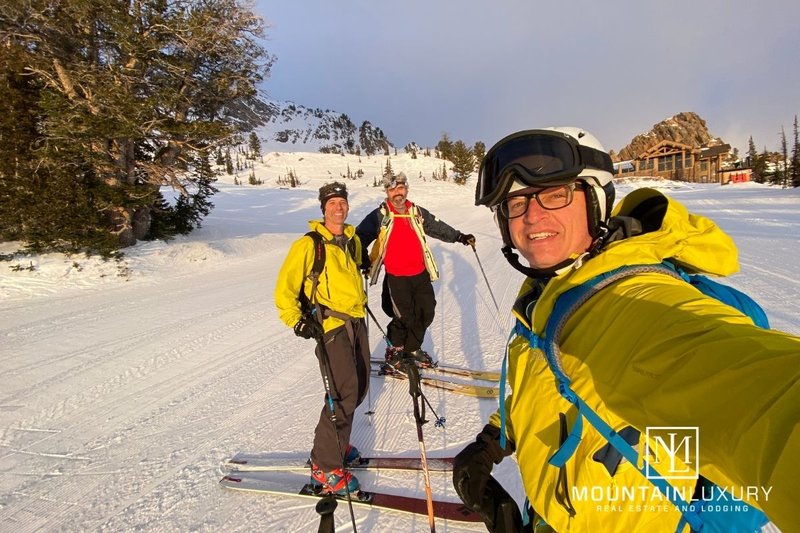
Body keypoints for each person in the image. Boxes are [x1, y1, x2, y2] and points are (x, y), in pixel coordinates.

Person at [452, 127, 800, 532]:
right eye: (516, 201)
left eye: (555, 194)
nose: (532, 215)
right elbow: (548, 386)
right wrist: (495, 438)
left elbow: (765, 400)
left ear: (596, 202)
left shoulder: (631, 302)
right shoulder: (551, 291)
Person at [274, 182, 370, 496]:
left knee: (358, 388)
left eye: (342, 202)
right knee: (342, 394)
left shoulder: (351, 241)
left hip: (356, 321)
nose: (338, 208)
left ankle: (336, 445)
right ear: (323, 208)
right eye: (332, 203)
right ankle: (326, 467)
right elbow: (284, 290)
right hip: (330, 327)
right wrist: (297, 321)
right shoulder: (309, 244)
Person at [356, 171, 475, 367]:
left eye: (400, 188)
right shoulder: (380, 215)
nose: (397, 193)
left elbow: (437, 227)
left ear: (407, 189)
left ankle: (412, 347)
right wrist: (361, 257)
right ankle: (395, 350)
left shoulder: (416, 212)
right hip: (396, 277)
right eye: (392, 189)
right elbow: (360, 236)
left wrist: (459, 237)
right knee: (403, 317)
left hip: (420, 274)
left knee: (426, 313)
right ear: (387, 192)